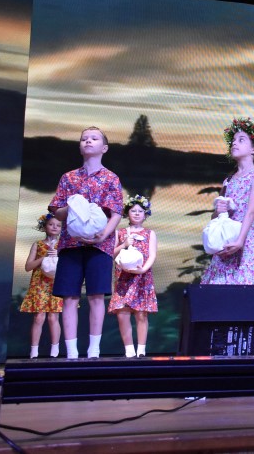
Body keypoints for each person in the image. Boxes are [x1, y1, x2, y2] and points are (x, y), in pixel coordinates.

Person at [49, 126, 123, 359]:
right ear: (80, 147)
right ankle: (71, 352)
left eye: (94, 138)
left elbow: (116, 213)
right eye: (84, 139)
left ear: (104, 148)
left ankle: (94, 350)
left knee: (96, 296)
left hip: (100, 246)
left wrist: (104, 235)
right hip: (71, 245)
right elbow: (57, 211)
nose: (88, 141)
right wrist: (71, 207)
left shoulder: (111, 178)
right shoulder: (68, 177)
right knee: (69, 297)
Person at [201, 117, 254, 286]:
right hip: (229, 242)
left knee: (247, 290)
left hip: (248, 242)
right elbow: (216, 217)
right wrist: (219, 210)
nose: (235, 143)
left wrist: (241, 241)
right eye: (233, 140)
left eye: (241, 140)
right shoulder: (229, 180)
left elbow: (251, 211)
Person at [109, 194, 158, 357]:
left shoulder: (150, 233)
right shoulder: (120, 233)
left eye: (140, 211)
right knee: (122, 314)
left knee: (141, 313)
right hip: (123, 277)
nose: (137, 214)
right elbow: (111, 253)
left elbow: (152, 255)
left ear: (145, 214)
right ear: (127, 213)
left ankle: (141, 350)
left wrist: (143, 270)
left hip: (142, 277)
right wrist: (124, 244)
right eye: (133, 211)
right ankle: (129, 350)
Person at [20, 213, 63, 358]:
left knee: (53, 317)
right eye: (51, 224)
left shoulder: (63, 245)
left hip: (56, 283)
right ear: (44, 227)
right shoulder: (38, 244)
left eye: (58, 225)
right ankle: (34, 351)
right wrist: (44, 257)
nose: (54, 227)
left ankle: (55, 350)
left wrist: (58, 255)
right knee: (39, 317)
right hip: (40, 283)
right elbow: (28, 267)